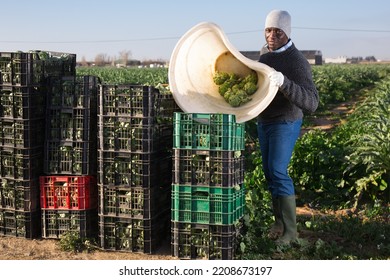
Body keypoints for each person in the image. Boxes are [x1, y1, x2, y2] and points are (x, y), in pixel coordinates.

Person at [257, 10, 319, 245]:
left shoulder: (297, 62)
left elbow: (312, 103)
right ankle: (279, 222)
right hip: (265, 121)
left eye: (277, 31)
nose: (271, 35)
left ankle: (291, 233)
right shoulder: (265, 55)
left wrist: (285, 83)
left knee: (279, 171)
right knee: (269, 172)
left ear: (287, 33)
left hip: (285, 120)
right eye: (268, 30)